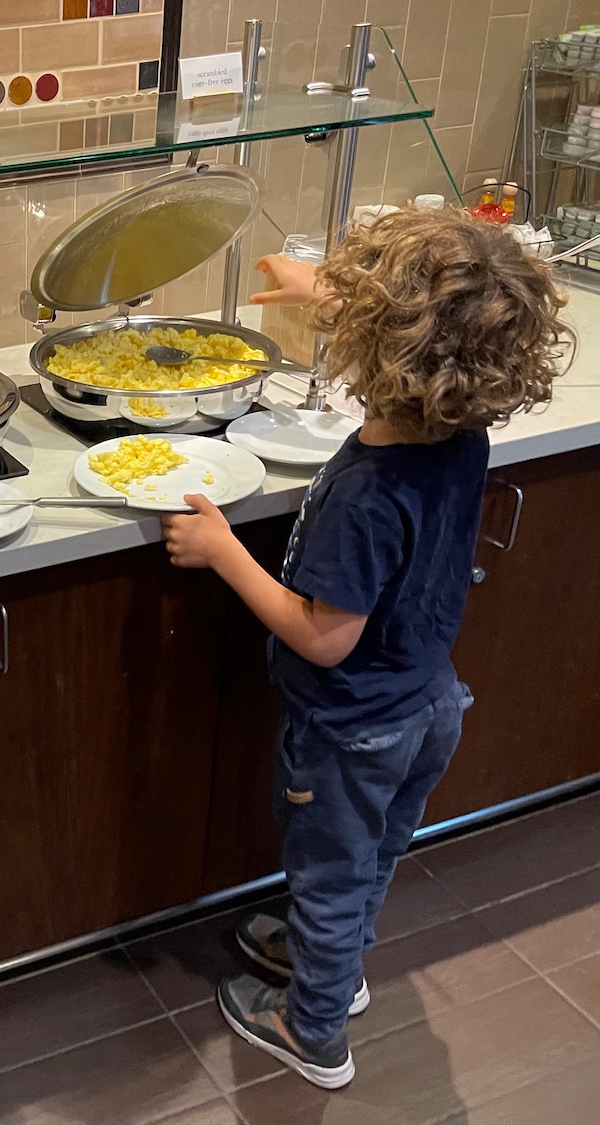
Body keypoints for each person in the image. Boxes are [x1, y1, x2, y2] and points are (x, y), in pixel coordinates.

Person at [160, 208, 572, 1088]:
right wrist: (330, 293)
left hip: (352, 730)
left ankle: (314, 1030)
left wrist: (222, 552)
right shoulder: (459, 431)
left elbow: (325, 635)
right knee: (371, 857)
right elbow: (432, 328)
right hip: (427, 706)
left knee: (332, 872)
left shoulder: (366, 495)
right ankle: (334, 968)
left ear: (374, 345)